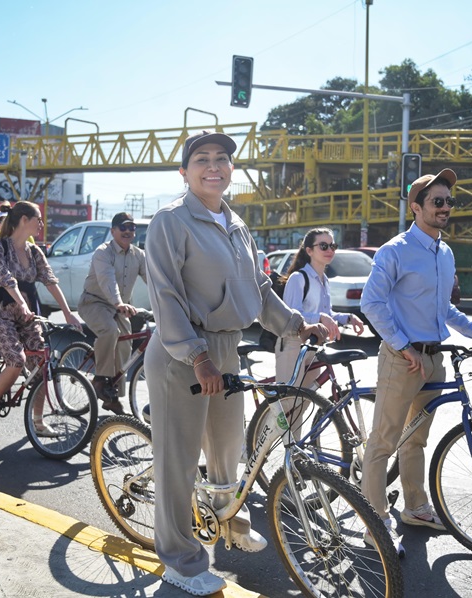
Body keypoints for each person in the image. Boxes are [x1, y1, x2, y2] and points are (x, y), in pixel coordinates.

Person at [144, 130, 328, 596]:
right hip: (182, 352)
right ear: (184, 172)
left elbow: (260, 288)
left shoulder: (237, 224)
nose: (214, 166)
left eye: (222, 159)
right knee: (179, 462)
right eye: (202, 159)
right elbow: (164, 295)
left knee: (228, 451)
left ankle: (232, 525)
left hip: (226, 349)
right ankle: (180, 562)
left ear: (231, 169)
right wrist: (197, 355)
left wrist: (295, 325)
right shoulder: (171, 221)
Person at [359, 168, 472, 555]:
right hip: (402, 359)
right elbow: (371, 303)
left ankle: (416, 508)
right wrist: (403, 345)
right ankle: (374, 521)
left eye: (449, 201)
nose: (445, 207)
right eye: (437, 201)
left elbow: (445, 310)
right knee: (383, 442)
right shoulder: (395, 250)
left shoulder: (445, 251)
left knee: (416, 440)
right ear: (416, 208)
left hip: (433, 358)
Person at [0, 201, 81, 437]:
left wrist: (67, 312)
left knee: (44, 364)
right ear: (24, 220)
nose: (42, 224)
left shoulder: (35, 252)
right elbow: (6, 279)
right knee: (16, 360)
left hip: (27, 316)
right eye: (38, 219)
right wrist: (22, 304)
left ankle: (38, 421)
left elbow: (50, 281)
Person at [275, 227, 365, 389]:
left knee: (307, 399)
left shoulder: (324, 280)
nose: (329, 250)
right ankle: (265, 415)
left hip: (315, 344)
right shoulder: (298, 278)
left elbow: (328, 314)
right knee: (288, 403)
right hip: (293, 344)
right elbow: (291, 316)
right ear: (309, 250)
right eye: (323, 246)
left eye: (333, 246)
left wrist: (349, 318)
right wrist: (320, 317)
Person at [77, 211, 146, 414]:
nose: (127, 231)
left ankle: (113, 394)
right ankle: (100, 380)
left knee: (126, 343)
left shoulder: (138, 255)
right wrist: (118, 303)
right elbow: (107, 280)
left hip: (120, 307)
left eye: (131, 227)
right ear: (113, 231)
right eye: (122, 227)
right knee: (109, 331)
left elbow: (154, 279)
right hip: (94, 302)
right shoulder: (102, 252)